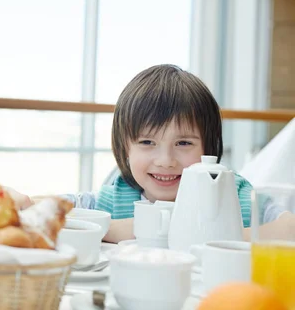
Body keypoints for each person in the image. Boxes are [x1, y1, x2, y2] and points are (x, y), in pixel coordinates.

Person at [62, 64, 294, 243]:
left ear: (208, 148)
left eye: (183, 143)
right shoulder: (111, 201)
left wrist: (201, 234)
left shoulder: (237, 199)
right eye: (147, 142)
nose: (166, 161)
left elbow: (290, 229)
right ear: (125, 148)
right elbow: (43, 208)